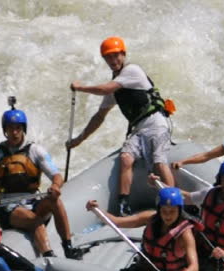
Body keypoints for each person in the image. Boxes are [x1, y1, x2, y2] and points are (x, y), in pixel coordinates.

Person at [67, 36, 176, 217]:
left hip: (156, 122)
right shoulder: (116, 86)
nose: (113, 61)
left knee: (159, 162)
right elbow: (99, 117)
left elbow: (105, 89)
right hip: (139, 128)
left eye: (116, 56)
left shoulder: (132, 71)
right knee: (126, 158)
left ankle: (173, 201)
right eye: (108, 57)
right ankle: (123, 204)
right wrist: (78, 140)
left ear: (123, 55)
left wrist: (81, 88)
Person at [0, 101, 83, 260]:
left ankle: (68, 247)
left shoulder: (36, 151)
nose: (14, 132)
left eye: (18, 128)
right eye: (10, 128)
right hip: (6, 206)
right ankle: (49, 257)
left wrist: (55, 186)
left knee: (56, 202)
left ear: (23, 129)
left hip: (33, 200)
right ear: (5, 130)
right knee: (33, 220)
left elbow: (56, 176)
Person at [85, 187, 198, 271]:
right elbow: (118, 222)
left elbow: (194, 267)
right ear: (159, 209)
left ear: (179, 210)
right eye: (164, 211)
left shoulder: (185, 234)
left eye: (172, 211)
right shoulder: (150, 218)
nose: (168, 215)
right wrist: (97, 211)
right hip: (144, 270)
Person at [156, 159, 224, 271]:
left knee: (176, 266)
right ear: (219, 178)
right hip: (200, 243)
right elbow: (187, 197)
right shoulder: (210, 193)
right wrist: (160, 185)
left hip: (216, 258)